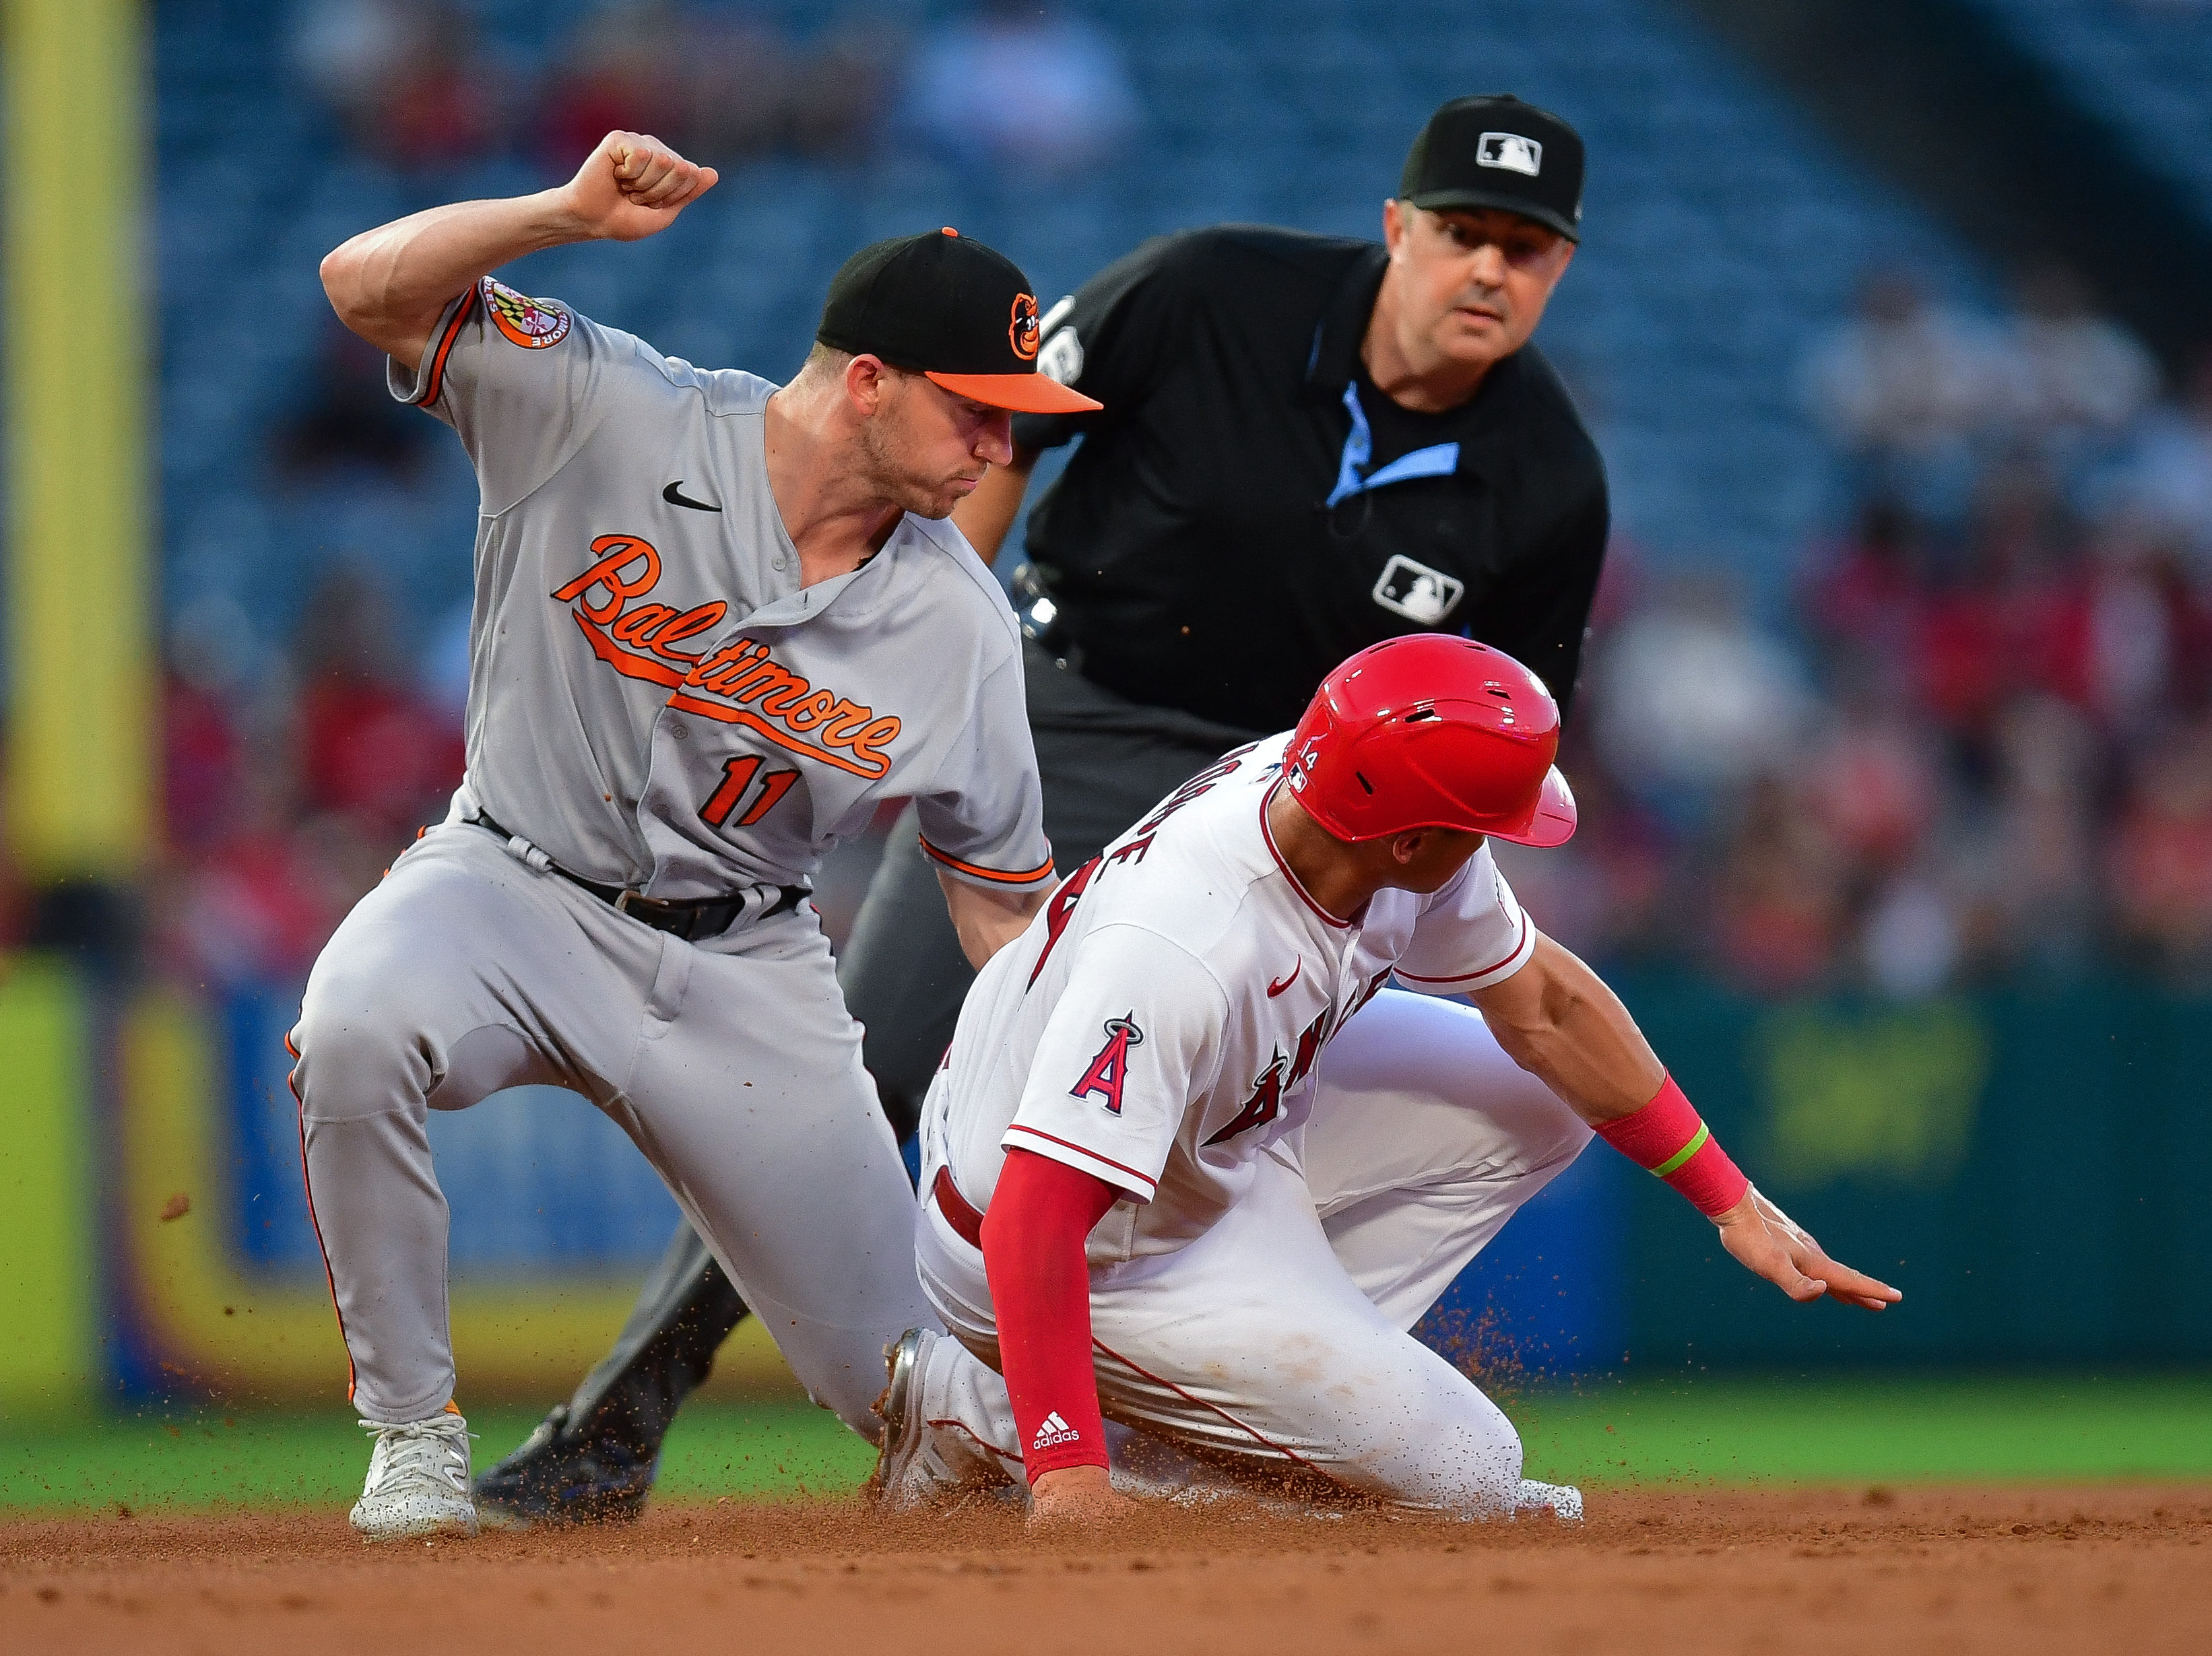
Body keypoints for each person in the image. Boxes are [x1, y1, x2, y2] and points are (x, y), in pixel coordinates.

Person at [479, 92, 1617, 1526]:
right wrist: (919, 658)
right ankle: (609, 1430)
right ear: (1396, 227)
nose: (1489, 271)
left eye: (1528, 248)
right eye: (1463, 232)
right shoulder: (1209, 291)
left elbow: (1510, 724)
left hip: (1292, 817)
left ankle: (1180, 1423)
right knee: (864, 1073)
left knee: (1252, 1112)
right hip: (1058, 721)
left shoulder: (1546, 476)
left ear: (1560, 268)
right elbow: (992, 434)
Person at [303, 130, 1098, 1539]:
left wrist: (1098, 1073)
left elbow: (996, 905)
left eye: (1012, 416)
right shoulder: (609, 409)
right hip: (509, 886)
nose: (1000, 443)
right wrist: (555, 213)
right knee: (358, 1028)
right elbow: (360, 286)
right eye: (977, 408)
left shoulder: (957, 624)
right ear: (867, 381)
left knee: (923, 1411)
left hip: (745, 971)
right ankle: (412, 1437)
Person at [874, 636, 1900, 1522]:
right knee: (1469, 1474)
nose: (1498, 841)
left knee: (1536, 1099)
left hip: (1206, 1130)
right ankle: (985, 1416)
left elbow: (1544, 1009)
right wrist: (1065, 1478)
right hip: (1071, 1235)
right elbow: (1035, 1218)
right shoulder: (1188, 940)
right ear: (1408, 834)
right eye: (1484, 822)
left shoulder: (1343, 803)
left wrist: (1731, 1200)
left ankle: (1281, 1419)